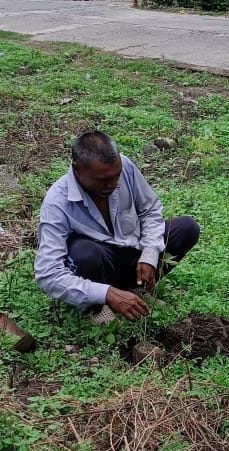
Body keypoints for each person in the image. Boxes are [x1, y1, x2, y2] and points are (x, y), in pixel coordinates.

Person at [35, 130, 200, 322]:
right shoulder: (57, 204)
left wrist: (150, 253)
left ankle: (136, 288)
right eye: (103, 180)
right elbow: (48, 273)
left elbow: (150, 209)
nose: (113, 184)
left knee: (186, 228)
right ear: (77, 168)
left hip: (131, 252)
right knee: (85, 254)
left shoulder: (125, 166)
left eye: (116, 176)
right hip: (96, 267)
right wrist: (106, 293)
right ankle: (96, 307)